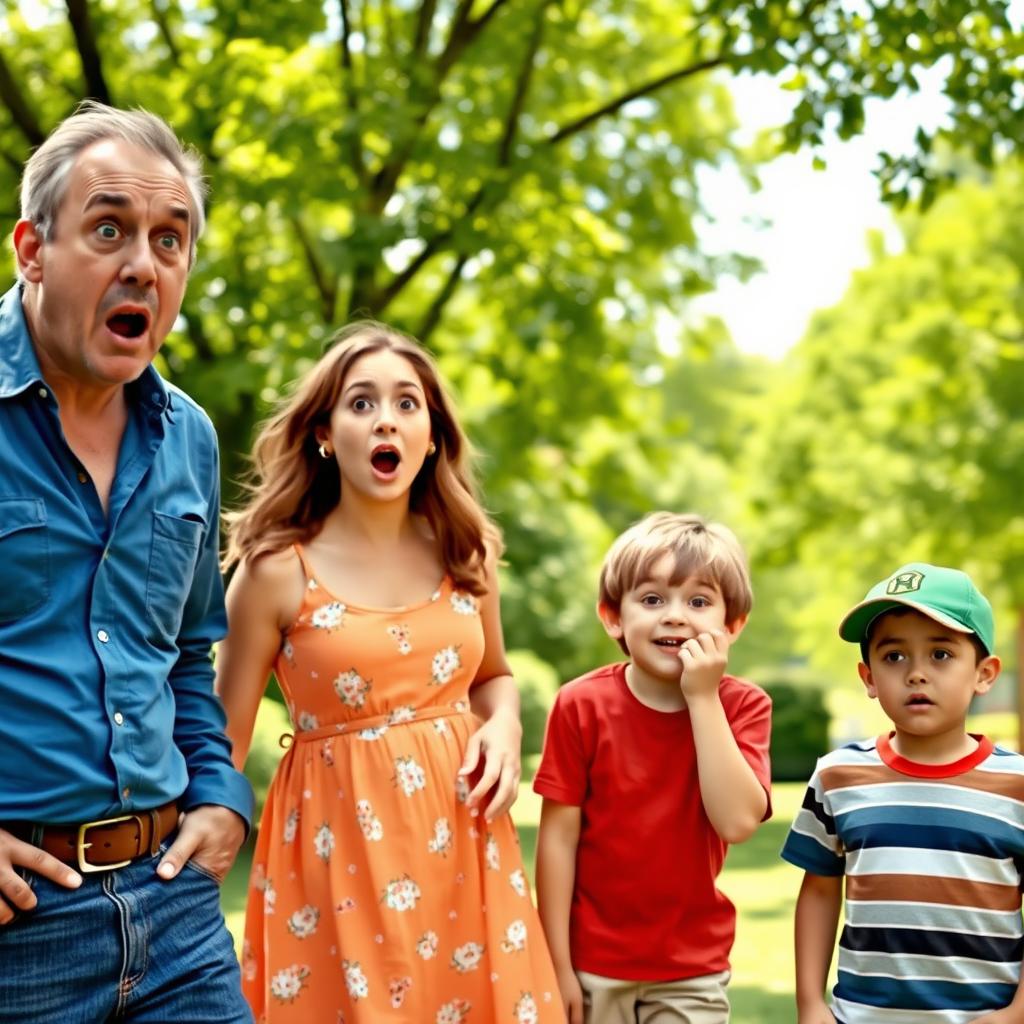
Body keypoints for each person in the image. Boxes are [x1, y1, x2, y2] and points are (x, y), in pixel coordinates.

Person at [216, 320, 563, 1022]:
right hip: (334, 859)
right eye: (361, 402)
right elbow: (216, 737)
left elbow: (493, 676)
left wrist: (504, 725)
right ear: (324, 431)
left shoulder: (468, 556)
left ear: (432, 434)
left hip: (464, 853)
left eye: (408, 404)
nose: (387, 421)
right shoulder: (275, 571)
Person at [0, 101, 253, 1022]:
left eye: (170, 238)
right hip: (17, 925)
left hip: (175, 903)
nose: (144, 262)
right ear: (33, 248)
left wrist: (221, 794)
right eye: (109, 229)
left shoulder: (189, 439)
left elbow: (184, 652)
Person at [533, 512, 772, 1024]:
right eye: (652, 599)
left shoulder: (744, 706)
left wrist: (702, 697)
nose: (676, 617)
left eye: (699, 602)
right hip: (591, 964)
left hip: (691, 968)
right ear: (613, 617)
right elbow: (557, 840)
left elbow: (737, 821)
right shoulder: (580, 705)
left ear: (732, 626)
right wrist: (555, 965)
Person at [782, 562, 1024, 1024]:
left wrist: (1016, 1014)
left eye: (940, 654)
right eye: (894, 657)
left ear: (985, 673)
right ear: (868, 677)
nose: (916, 673)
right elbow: (818, 892)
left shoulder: (1017, 787)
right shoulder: (838, 776)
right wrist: (810, 1005)